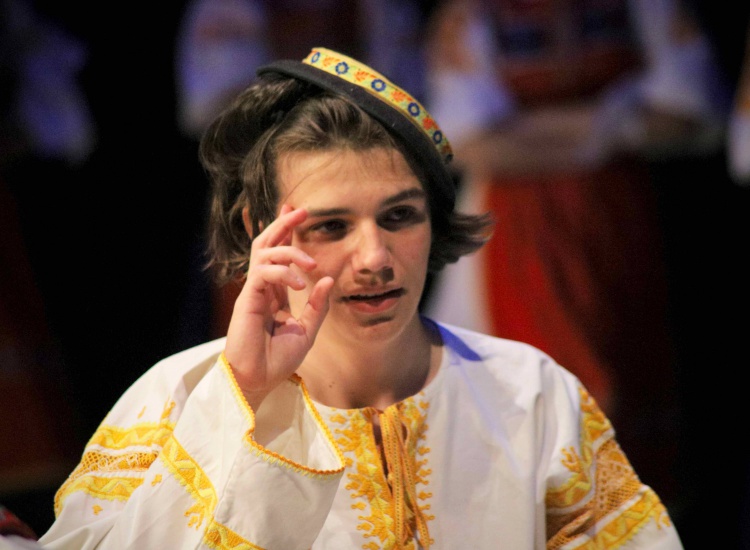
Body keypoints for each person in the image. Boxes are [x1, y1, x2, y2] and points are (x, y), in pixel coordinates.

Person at [38, 47, 683, 549]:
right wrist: (240, 399)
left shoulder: (531, 393)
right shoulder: (173, 398)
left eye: (400, 216)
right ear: (260, 233)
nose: (374, 258)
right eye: (330, 226)